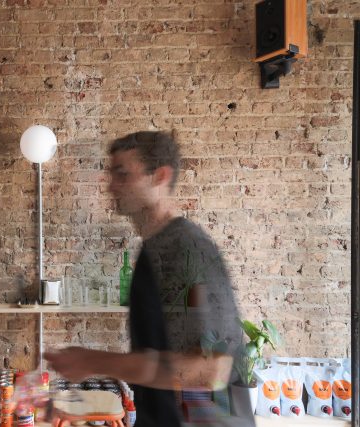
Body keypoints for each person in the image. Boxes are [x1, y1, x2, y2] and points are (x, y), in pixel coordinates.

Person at [45, 131, 255, 427]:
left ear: (160, 177)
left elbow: (209, 370)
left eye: (122, 174)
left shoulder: (185, 250)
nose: (111, 186)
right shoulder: (153, 250)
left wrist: (92, 361)